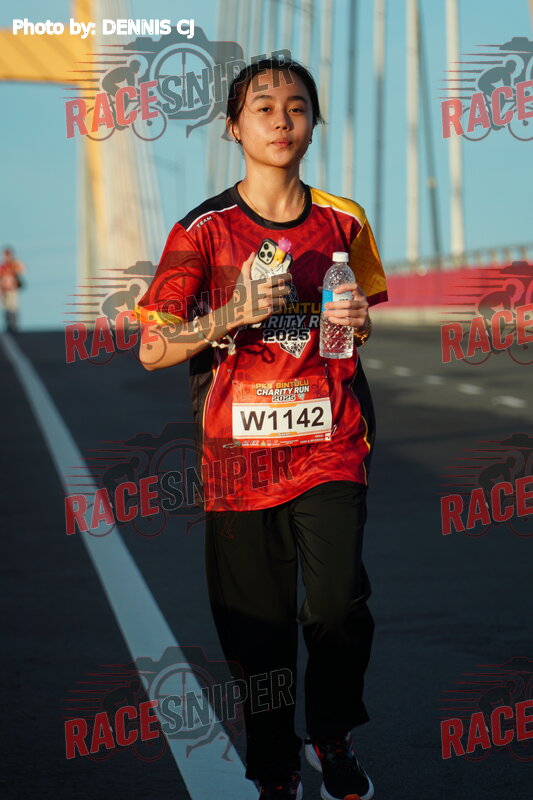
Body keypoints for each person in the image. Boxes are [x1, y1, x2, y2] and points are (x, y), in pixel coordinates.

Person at [136, 56, 388, 800]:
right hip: (238, 461)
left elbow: (354, 327)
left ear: (313, 123)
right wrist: (231, 313)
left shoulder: (345, 221)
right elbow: (153, 348)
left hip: (328, 443)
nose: (282, 120)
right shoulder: (202, 231)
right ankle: (275, 769)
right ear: (233, 128)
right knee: (258, 632)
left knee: (338, 605)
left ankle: (332, 735)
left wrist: (357, 320)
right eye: (264, 107)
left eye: (297, 107)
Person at [0, 246, 26, 332]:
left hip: (13, 289)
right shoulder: (3, 266)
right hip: (4, 289)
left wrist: (15, 264)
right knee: (6, 308)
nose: (6, 256)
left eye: (7, 254)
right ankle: (9, 325)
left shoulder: (14, 264)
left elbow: (23, 270)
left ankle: (14, 325)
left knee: (13, 307)